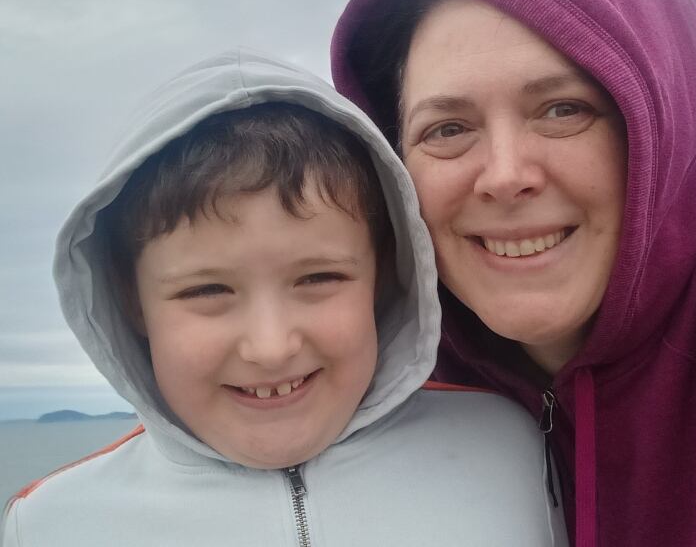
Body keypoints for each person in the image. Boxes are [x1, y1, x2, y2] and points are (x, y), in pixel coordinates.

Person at [331, 0, 696, 547]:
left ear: (662, 124)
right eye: (448, 129)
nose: (505, 175)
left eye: (563, 109)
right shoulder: (377, 374)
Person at [1, 49, 567, 547]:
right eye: (206, 290)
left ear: (386, 277)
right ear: (131, 302)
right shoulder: (50, 524)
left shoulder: (509, 447)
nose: (270, 348)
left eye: (318, 278)